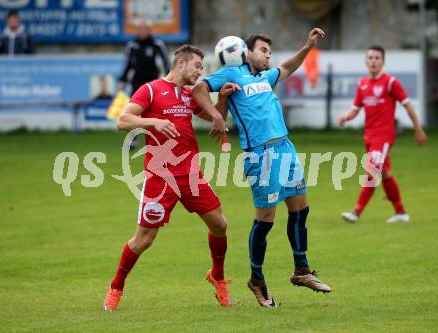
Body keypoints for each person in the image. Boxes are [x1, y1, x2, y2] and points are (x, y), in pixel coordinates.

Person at [192, 29, 332, 308]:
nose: (268, 54)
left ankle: (301, 270)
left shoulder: (265, 77)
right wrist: (217, 115)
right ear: (246, 52)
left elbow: (289, 66)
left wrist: (307, 46)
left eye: (270, 51)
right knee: (266, 220)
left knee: (300, 210)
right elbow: (199, 89)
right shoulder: (232, 74)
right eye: (263, 50)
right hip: (261, 155)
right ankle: (256, 278)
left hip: (286, 148)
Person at [103, 44, 233, 311]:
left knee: (220, 225)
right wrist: (152, 122)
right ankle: (116, 286)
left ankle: (217, 276)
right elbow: (122, 120)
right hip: (160, 177)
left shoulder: (188, 95)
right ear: (181, 63)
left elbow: (213, 119)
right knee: (143, 240)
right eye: (197, 66)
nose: (199, 72)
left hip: (191, 174)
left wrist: (223, 100)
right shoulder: (151, 90)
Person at [338, 45, 427, 224]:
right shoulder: (362, 84)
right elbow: (355, 110)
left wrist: (418, 129)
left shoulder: (390, 82)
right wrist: (345, 118)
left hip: (384, 136)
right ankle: (401, 212)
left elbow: (408, 106)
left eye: (377, 58)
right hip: (369, 137)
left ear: (383, 62)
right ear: (365, 61)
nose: (373, 61)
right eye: (370, 57)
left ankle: (356, 212)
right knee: (384, 173)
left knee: (372, 171)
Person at [118, 20, 171, 150]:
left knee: (157, 112)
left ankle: (160, 140)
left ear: (149, 30)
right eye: (139, 29)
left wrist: (170, 81)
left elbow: (167, 64)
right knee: (132, 114)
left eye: (144, 29)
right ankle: (133, 141)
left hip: (154, 85)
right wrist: (123, 80)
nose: (142, 32)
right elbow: (127, 65)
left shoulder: (157, 44)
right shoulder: (132, 45)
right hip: (137, 85)